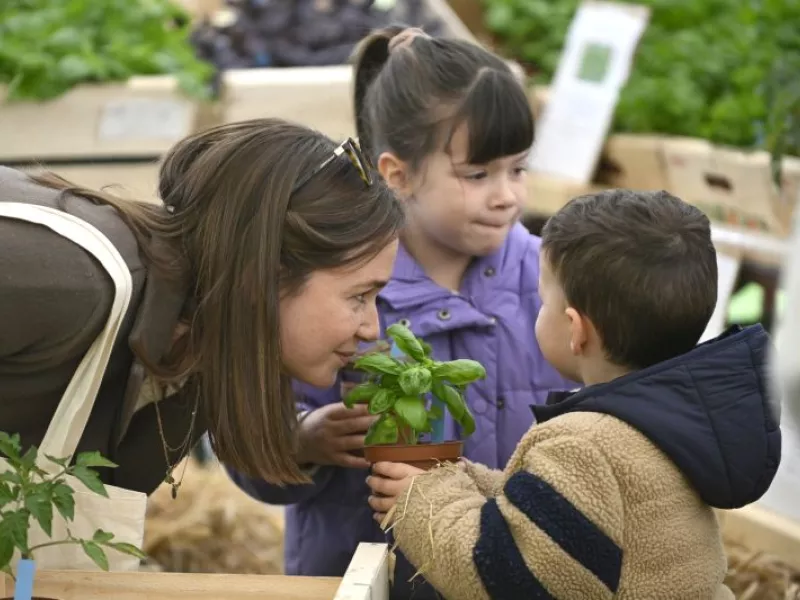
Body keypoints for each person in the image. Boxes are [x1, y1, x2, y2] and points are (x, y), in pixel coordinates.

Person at [227, 26, 574, 599]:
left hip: (516, 577)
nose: (507, 195)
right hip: (367, 578)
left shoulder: (553, 280)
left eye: (518, 168)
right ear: (397, 174)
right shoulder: (339, 292)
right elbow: (247, 435)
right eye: (477, 175)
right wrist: (299, 441)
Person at [366, 189, 782, 600]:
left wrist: (422, 500)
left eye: (543, 300)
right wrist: (463, 479)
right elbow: (555, 517)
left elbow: (505, 577)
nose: (538, 309)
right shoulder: (672, 422)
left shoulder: (584, 445)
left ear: (576, 330)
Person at [0, 118, 403, 497]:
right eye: (359, 296)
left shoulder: (201, 351)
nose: (372, 328)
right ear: (266, 275)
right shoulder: (68, 283)